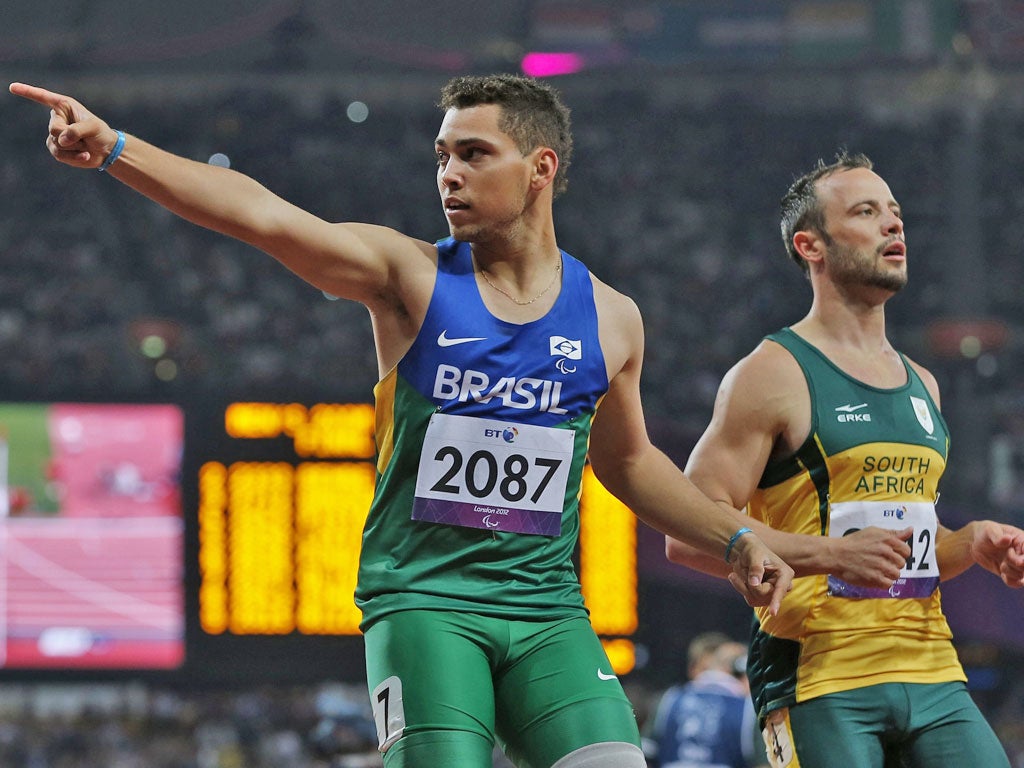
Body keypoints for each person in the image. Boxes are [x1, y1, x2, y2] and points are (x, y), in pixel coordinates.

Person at [10, 75, 794, 768]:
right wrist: (116, 147)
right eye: (442, 154)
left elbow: (628, 464)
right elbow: (262, 216)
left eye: (475, 154)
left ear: (541, 169)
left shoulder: (613, 319)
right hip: (425, 603)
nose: (449, 174)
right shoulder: (408, 277)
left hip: (547, 609)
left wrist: (735, 537)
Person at [665, 151, 1024, 767]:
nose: (893, 226)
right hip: (818, 678)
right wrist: (831, 555)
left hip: (932, 668)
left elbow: (904, 546)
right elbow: (688, 535)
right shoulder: (770, 373)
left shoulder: (923, 385)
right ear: (812, 246)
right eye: (866, 212)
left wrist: (970, 543)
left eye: (895, 213)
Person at [645, 631, 768, 768]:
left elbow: (645, 755)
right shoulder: (748, 711)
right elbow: (763, 765)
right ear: (739, 669)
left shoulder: (668, 700)